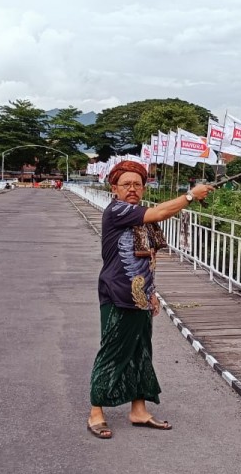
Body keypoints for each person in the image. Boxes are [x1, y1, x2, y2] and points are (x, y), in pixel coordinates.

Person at [87, 160, 215, 439]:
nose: (132, 189)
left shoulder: (138, 217)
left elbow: (147, 259)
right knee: (113, 350)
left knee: (140, 352)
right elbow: (160, 211)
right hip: (117, 294)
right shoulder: (118, 211)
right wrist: (191, 195)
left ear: (144, 187)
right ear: (114, 188)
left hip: (140, 296)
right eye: (126, 185)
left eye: (137, 184)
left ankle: (139, 410)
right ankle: (96, 411)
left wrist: (152, 293)